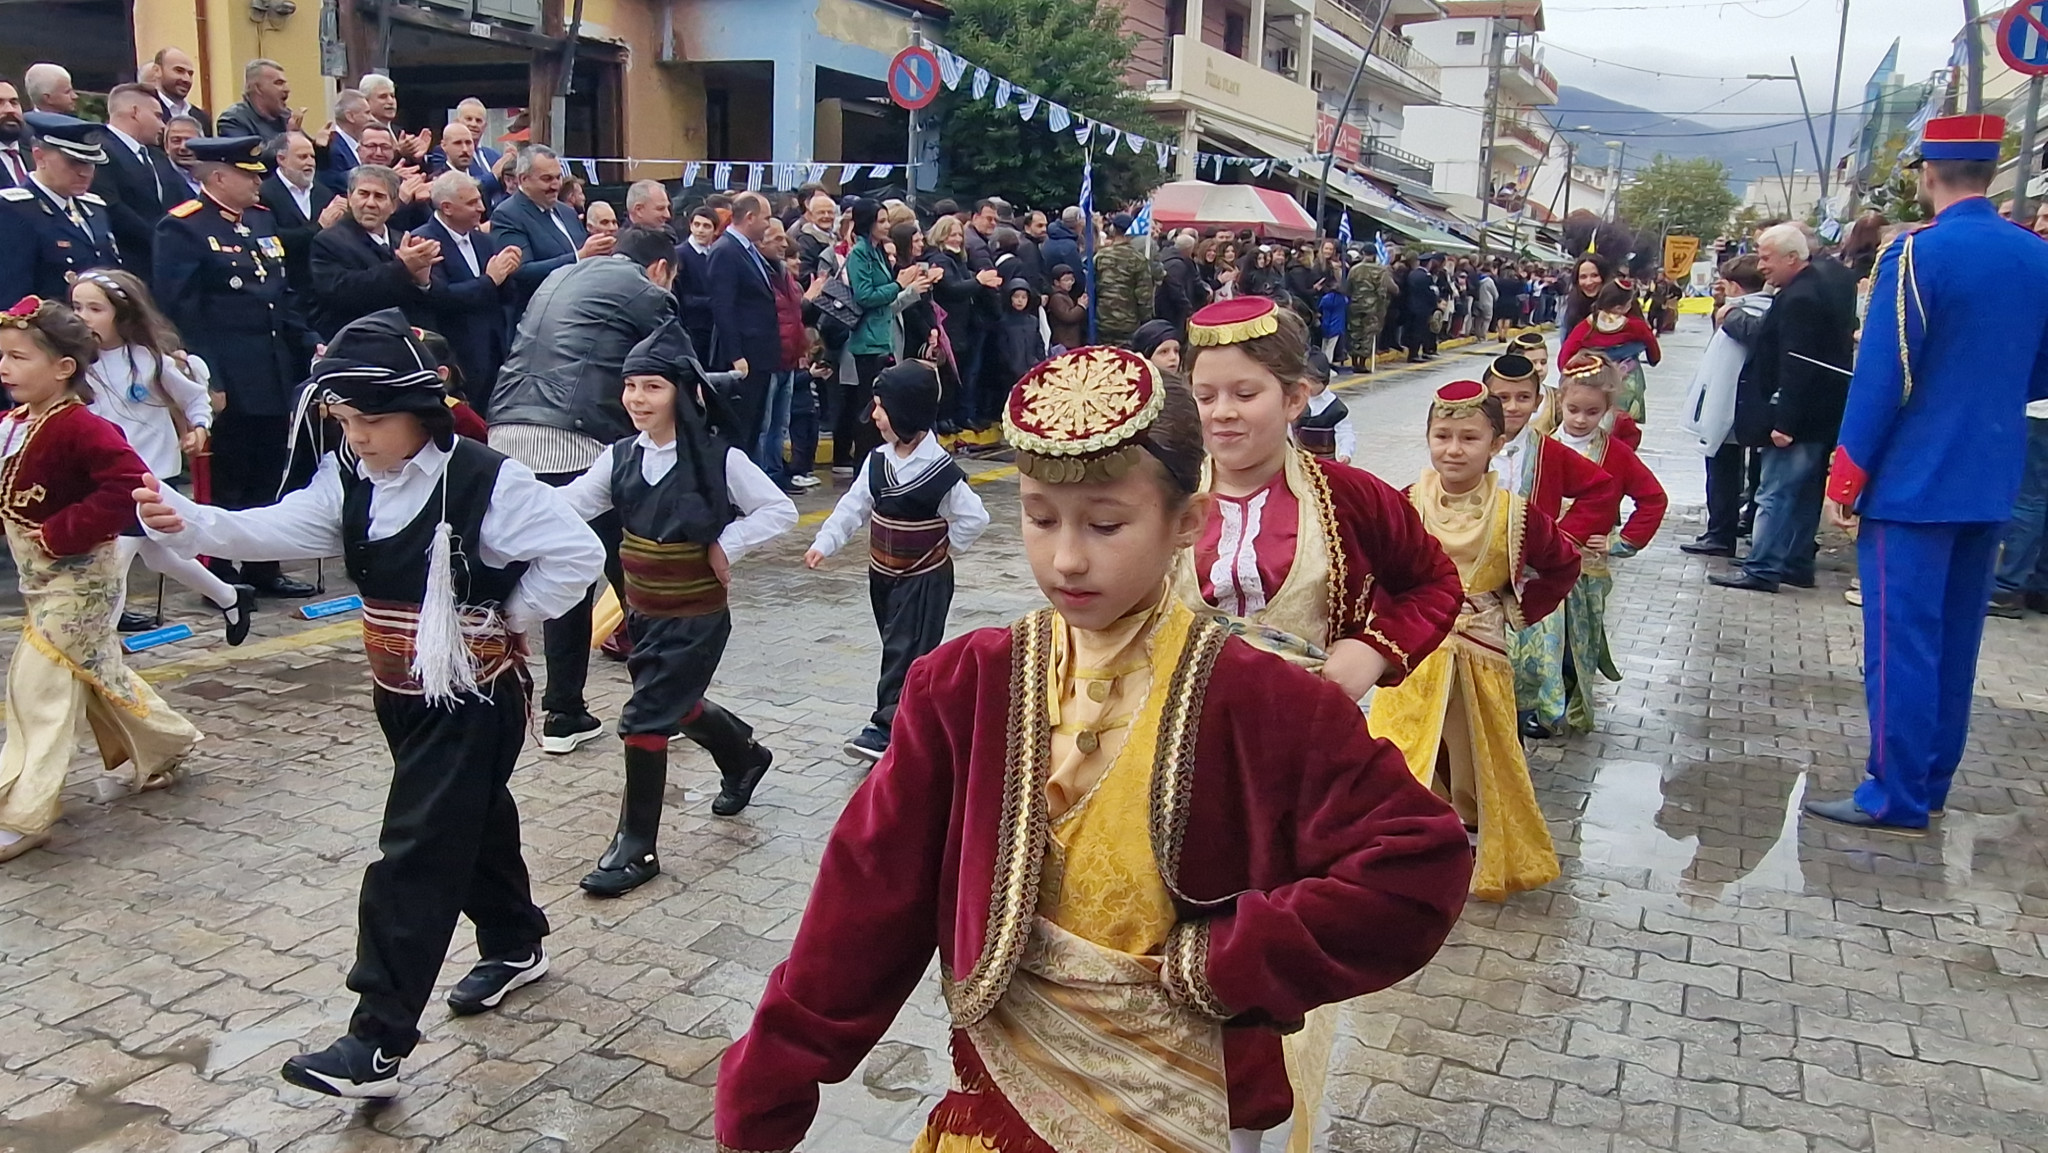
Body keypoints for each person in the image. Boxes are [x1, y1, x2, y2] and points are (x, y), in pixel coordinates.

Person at [713, 344, 1472, 1153]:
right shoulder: (967, 683)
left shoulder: (1263, 696)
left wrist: (1230, 960)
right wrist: (772, 1081)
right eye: (1040, 517)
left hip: (1191, 1097)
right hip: (1003, 1097)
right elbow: (867, 897)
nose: (1067, 557)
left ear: (1187, 521)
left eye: (1106, 523)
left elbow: (1419, 862)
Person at [135, 308, 603, 1095]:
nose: (357, 435)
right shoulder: (354, 478)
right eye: (346, 420)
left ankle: (376, 1041)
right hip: (400, 694)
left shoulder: (488, 480)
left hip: (470, 700)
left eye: (373, 420)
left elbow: (578, 553)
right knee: (471, 821)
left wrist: (497, 624)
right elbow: (283, 527)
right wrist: (192, 521)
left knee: (414, 853)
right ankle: (516, 942)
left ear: (421, 414)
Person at [1807, 114, 2048, 834]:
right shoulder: (2035, 256)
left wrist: (1847, 475)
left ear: (1927, 173)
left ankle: (1895, 791)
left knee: (1900, 641)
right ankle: (1934, 778)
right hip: (1991, 474)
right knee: (1954, 640)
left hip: (1913, 480)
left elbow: (1883, 376)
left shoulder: (1916, 255)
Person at [561, 320, 794, 897]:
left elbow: (779, 510)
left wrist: (726, 542)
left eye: (652, 387)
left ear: (684, 392)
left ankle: (636, 848)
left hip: (696, 615)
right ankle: (742, 757)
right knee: (673, 703)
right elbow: (566, 506)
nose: (638, 400)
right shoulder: (617, 458)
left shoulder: (719, 457)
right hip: (642, 610)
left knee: (644, 717)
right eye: (631, 386)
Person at [0, 297, 202, 863]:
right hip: (37, 580)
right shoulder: (14, 423)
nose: (5, 368)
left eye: (19, 357)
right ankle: (166, 744)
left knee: (36, 684)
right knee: (96, 671)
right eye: (3, 357)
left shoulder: (83, 426)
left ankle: (25, 808)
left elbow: (129, 484)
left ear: (64, 367)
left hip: (82, 580)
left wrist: (64, 531)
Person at [1366, 380, 1579, 899]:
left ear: (1496, 443)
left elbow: (1563, 563)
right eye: (1442, 436)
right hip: (1416, 653)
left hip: (1481, 652)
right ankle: (1398, 841)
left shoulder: (1515, 513)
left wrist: (1515, 608)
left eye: (1468, 438)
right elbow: (1371, 566)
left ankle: (1476, 832)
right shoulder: (1405, 501)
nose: (1453, 449)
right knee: (1400, 749)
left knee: (1478, 752)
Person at [487, 226, 679, 753]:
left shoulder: (559, 276)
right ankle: (661, 702)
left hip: (507, 429)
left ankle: (564, 713)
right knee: (634, 568)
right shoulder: (647, 291)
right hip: (576, 439)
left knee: (564, 566)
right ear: (661, 268)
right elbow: (671, 371)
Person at [153, 135, 322, 598]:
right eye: (249, 176)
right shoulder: (183, 228)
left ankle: (263, 567)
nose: (258, 183)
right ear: (219, 177)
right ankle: (218, 572)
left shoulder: (260, 223)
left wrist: (309, 343)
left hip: (269, 368)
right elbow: (181, 312)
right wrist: (209, 380)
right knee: (227, 477)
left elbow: (279, 299)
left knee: (267, 472)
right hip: (226, 370)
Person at [805, 360, 988, 761]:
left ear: (905, 412)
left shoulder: (941, 472)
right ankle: (923, 716)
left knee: (903, 648)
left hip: (924, 579)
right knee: (899, 645)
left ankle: (884, 727)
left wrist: (942, 549)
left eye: (881, 408)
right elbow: (852, 507)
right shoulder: (878, 461)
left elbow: (975, 518)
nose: (874, 417)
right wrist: (826, 542)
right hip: (882, 574)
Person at [68, 269, 254, 640]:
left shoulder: (151, 360)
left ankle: (100, 644)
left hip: (145, 476)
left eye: (95, 308)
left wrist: (200, 427)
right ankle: (231, 597)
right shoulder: (75, 362)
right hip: (99, 476)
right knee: (156, 554)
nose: (83, 316)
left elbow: (193, 397)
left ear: (121, 315)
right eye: (77, 307)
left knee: (114, 558)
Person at [1512, 355, 1666, 739]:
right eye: (1573, 409)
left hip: (1585, 566)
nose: (1580, 419)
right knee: (1534, 637)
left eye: (1592, 412)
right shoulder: (1537, 447)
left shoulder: (1616, 454)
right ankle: (1533, 707)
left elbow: (1653, 499)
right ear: (1559, 401)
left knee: (1575, 642)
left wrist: (1622, 541)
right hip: (1539, 565)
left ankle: (1566, 699)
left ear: (1608, 410)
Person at [1710, 223, 1855, 594]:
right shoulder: (1822, 284)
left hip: (1799, 415)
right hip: (1820, 413)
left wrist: (1784, 420)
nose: (1761, 266)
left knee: (1774, 491)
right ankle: (1794, 562)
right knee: (1804, 492)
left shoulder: (1800, 297)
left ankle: (1763, 566)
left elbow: (1797, 363)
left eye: (1766, 258)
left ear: (1793, 258)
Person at [1679, 254, 1770, 558]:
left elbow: (1723, 368)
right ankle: (1729, 527)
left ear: (1734, 286)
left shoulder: (1740, 314)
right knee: (1743, 472)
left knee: (1722, 473)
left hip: (1731, 406)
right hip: (1745, 406)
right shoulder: (1758, 310)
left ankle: (1721, 532)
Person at [416, 170, 522, 403]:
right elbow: (441, 298)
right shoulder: (424, 243)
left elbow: (504, 295)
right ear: (447, 208)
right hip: (456, 357)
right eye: (472, 203)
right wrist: (490, 280)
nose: (482, 208)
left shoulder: (482, 240)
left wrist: (508, 270)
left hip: (493, 353)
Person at [0, 112, 122, 305]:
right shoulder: (13, 210)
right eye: (74, 162)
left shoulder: (93, 208)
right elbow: (12, 296)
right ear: (39, 157)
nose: (85, 172)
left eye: (91, 163)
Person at [307, 165, 440, 339]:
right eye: (363, 194)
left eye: (379, 196)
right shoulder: (328, 241)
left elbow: (428, 303)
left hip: (404, 345)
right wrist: (403, 268)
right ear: (349, 198)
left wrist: (422, 281)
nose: (370, 203)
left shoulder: (402, 241)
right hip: (357, 344)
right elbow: (342, 292)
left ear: (393, 205)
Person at [705, 190, 783, 454]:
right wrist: (736, 355)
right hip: (744, 358)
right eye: (766, 218)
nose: (768, 224)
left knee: (753, 428)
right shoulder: (726, 251)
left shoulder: (748, 250)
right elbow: (722, 306)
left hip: (761, 355)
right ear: (749, 217)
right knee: (739, 429)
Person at [490, 145, 606, 313]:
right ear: (523, 179)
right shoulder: (507, 215)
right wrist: (579, 257)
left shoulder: (567, 212)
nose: (555, 185)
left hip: (582, 308)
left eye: (558, 177)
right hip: (539, 315)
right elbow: (521, 273)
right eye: (547, 179)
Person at [92, 84, 184, 282]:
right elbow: (112, 206)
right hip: (129, 267)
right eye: (157, 116)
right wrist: (161, 239)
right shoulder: (101, 149)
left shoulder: (156, 156)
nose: (163, 126)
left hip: (161, 266)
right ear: (135, 112)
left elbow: (180, 198)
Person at [260, 130, 346, 298]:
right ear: (282, 159)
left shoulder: (323, 193)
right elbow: (273, 240)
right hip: (286, 288)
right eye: (302, 157)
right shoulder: (264, 193)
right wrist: (319, 227)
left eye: (312, 157)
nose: (310, 163)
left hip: (322, 288)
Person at [1560, 280, 1662, 422]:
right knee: (1624, 426)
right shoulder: (1637, 327)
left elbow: (1563, 360)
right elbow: (1655, 356)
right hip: (1628, 384)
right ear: (1623, 306)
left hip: (1596, 384)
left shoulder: (1585, 327)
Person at [1093, 211, 1155, 347]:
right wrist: (1146, 320)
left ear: (1112, 229)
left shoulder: (1100, 256)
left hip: (1102, 319)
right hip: (1128, 322)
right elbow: (1144, 295)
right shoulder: (1138, 259)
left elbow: (1092, 286)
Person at [1294, 348, 1354, 464]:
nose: (1308, 386)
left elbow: (1345, 433)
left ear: (1324, 380)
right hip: (1298, 463)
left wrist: (1345, 453)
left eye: (1313, 382)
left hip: (1324, 465)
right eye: (1304, 381)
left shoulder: (1335, 409)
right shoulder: (1296, 402)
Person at [215, 59, 296, 143]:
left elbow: (308, 149)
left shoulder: (286, 116)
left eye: (285, 84)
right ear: (258, 88)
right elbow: (251, 154)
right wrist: (290, 136)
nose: (287, 89)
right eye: (279, 83)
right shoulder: (233, 120)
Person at [1346, 251, 1393, 369]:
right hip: (1372, 307)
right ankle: (1362, 363)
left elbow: (1348, 287)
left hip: (1355, 305)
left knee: (1354, 333)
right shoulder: (1381, 270)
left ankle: (1354, 362)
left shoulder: (1354, 269)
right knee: (1368, 334)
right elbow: (1383, 290)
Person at [316, 88, 373, 186]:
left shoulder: (351, 145)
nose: (371, 118)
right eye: (367, 113)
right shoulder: (334, 149)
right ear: (350, 116)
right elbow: (337, 184)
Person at [149, 48, 210, 134]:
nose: (186, 79)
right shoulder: (147, 112)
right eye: (179, 71)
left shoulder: (202, 118)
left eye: (190, 74)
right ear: (157, 71)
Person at [1402, 254, 1441, 362]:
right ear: (1428, 264)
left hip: (1410, 306)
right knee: (1419, 331)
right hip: (1423, 308)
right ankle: (1413, 355)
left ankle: (1413, 353)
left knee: (1412, 331)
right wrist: (1435, 305)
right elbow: (1431, 293)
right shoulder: (1426, 277)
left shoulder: (1412, 274)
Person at [1045, 263, 1086, 353]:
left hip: (1070, 341)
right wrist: (1081, 306)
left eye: (1071, 279)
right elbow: (1068, 316)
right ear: (1056, 282)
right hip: (1064, 342)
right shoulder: (1057, 298)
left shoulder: (1065, 295)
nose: (1070, 283)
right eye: (1066, 280)